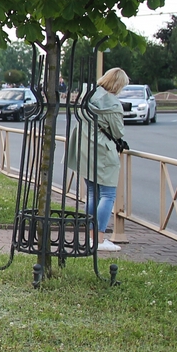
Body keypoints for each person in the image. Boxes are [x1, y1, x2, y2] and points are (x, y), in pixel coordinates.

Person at [67, 67, 128, 253]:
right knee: (108, 194)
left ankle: (91, 237)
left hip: (85, 148)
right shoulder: (113, 104)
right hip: (104, 150)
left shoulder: (87, 95)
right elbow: (118, 132)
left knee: (92, 193)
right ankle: (100, 238)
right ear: (117, 85)